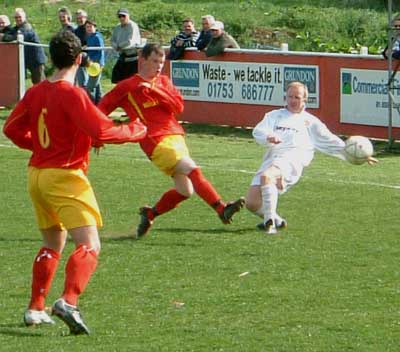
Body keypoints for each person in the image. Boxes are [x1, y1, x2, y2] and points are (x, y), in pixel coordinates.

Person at [3, 30, 146, 335]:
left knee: (53, 243)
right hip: (65, 175)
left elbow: (12, 129)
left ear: (51, 58)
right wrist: (136, 130)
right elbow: (103, 132)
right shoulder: (73, 93)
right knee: (89, 244)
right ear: (80, 59)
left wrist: (41, 147)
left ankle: (35, 308)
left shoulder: (37, 91)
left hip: (37, 175)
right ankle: (68, 301)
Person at [98, 43, 245, 239]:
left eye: (162, 62)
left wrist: (155, 91)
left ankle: (150, 214)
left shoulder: (164, 82)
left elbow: (178, 107)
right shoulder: (127, 86)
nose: (159, 66)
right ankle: (221, 208)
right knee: (192, 169)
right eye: (155, 61)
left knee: (185, 190)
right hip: (154, 140)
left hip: (175, 136)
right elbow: (100, 109)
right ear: (142, 59)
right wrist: (96, 134)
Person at [245, 81, 378, 235]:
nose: (293, 100)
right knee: (252, 203)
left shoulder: (310, 122)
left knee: (267, 177)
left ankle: (269, 225)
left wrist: (357, 155)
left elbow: (330, 140)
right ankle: (277, 220)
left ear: (305, 100)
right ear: (285, 97)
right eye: (290, 96)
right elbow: (259, 130)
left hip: (292, 159)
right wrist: (269, 136)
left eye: (297, 97)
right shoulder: (274, 115)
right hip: (272, 157)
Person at [1, 8, 47, 84]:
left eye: (19, 17)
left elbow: (16, 37)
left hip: (36, 60)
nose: (18, 19)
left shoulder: (26, 27)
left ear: (24, 17)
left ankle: (47, 96)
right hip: (28, 59)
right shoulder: (17, 28)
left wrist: (3, 37)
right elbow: (10, 33)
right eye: (16, 17)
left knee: (39, 83)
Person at [111, 8, 141, 83]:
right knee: (118, 79)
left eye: (123, 16)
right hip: (122, 57)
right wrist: (115, 46)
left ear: (128, 16)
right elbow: (112, 40)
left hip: (133, 58)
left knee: (133, 81)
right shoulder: (117, 27)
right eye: (119, 16)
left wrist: (119, 46)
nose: (121, 18)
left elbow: (130, 41)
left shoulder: (133, 26)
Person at [85, 19, 105, 104]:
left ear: (95, 27)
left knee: (90, 87)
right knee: (97, 86)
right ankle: (100, 104)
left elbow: (101, 51)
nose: (89, 29)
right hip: (91, 64)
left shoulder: (97, 37)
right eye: (87, 27)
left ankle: (91, 104)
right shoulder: (90, 37)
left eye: (90, 27)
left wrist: (99, 64)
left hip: (96, 65)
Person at [74, 9, 88, 88]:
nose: (79, 20)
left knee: (93, 84)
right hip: (80, 59)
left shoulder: (89, 28)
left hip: (91, 58)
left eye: (81, 18)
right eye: (78, 18)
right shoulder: (76, 30)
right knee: (82, 83)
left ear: (85, 18)